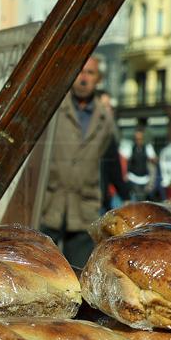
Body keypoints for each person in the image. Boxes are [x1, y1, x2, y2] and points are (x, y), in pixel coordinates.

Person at [40, 55, 117, 269]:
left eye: (90, 73)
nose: (84, 78)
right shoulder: (55, 109)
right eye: (80, 72)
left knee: (79, 273)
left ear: (98, 79)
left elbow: (106, 159)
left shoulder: (105, 119)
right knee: (44, 269)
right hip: (50, 204)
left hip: (84, 207)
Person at [121, 126, 157, 202]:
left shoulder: (147, 148)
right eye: (136, 139)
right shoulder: (130, 148)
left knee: (143, 200)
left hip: (145, 179)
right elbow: (123, 160)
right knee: (136, 200)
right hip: (133, 178)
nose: (138, 141)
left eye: (140, 139)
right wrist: (124, 174)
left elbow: (154, 160)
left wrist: (153, 159)